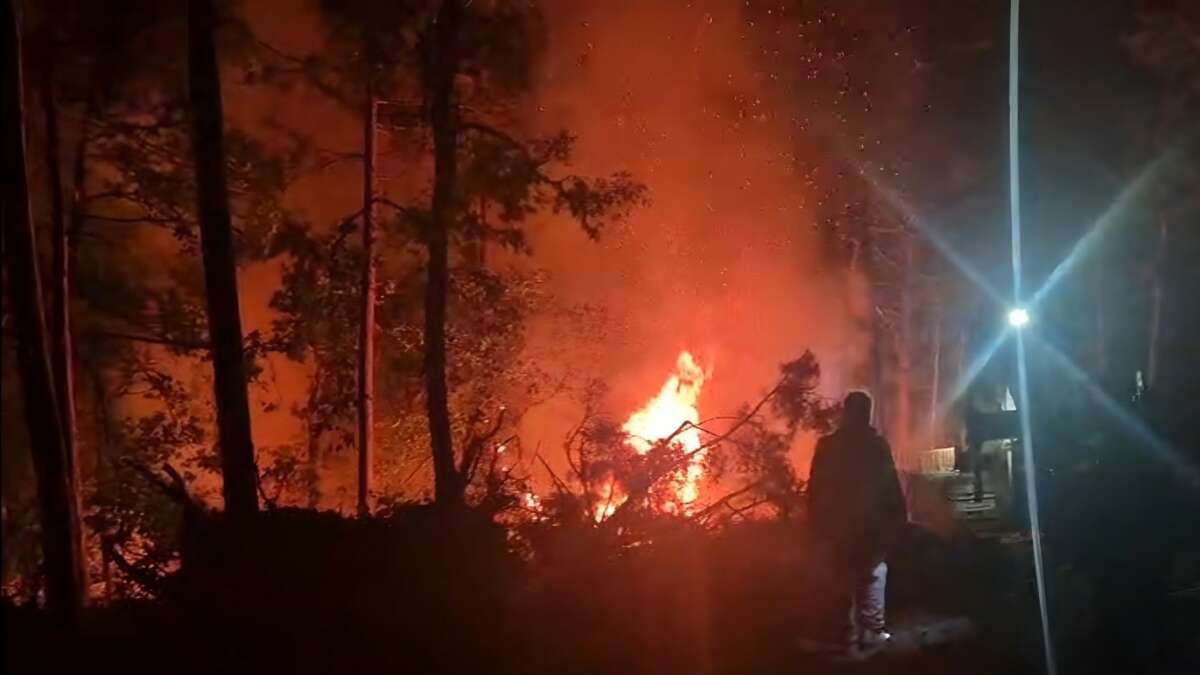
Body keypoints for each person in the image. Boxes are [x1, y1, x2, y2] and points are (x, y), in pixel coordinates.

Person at [805, 391, 907, 656]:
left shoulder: (828, 446)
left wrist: (815, 524)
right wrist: (898, 518)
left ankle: (847, 634)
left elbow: (815, 488)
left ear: (846, 413)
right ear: (866, 413)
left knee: (843, 577)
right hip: (869, 525)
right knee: (871, 575)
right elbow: (890, 486)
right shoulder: (876, 446)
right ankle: (871, 633)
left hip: (839, 525)